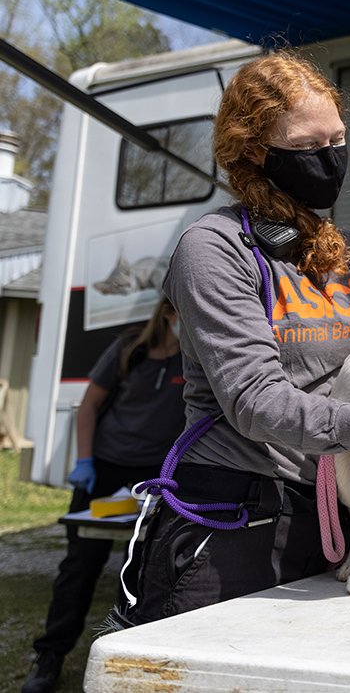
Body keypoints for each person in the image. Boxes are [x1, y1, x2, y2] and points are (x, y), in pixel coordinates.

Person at [124, 52, 350, 626]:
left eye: (337, 141)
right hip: (236, 512)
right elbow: (254, 399)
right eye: (306, 144)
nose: (329, 158)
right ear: (251, 152)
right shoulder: (213, 250)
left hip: (335, 509)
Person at [22, 297, 184, 693]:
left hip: (156, 476)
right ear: (167, 314)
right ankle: (49, 657)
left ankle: (121, 656)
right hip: (106, 467)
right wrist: (84, 461)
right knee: (79, 568)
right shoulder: (130, 349)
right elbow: (88, 406)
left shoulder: (195, 357)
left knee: (138, 571)